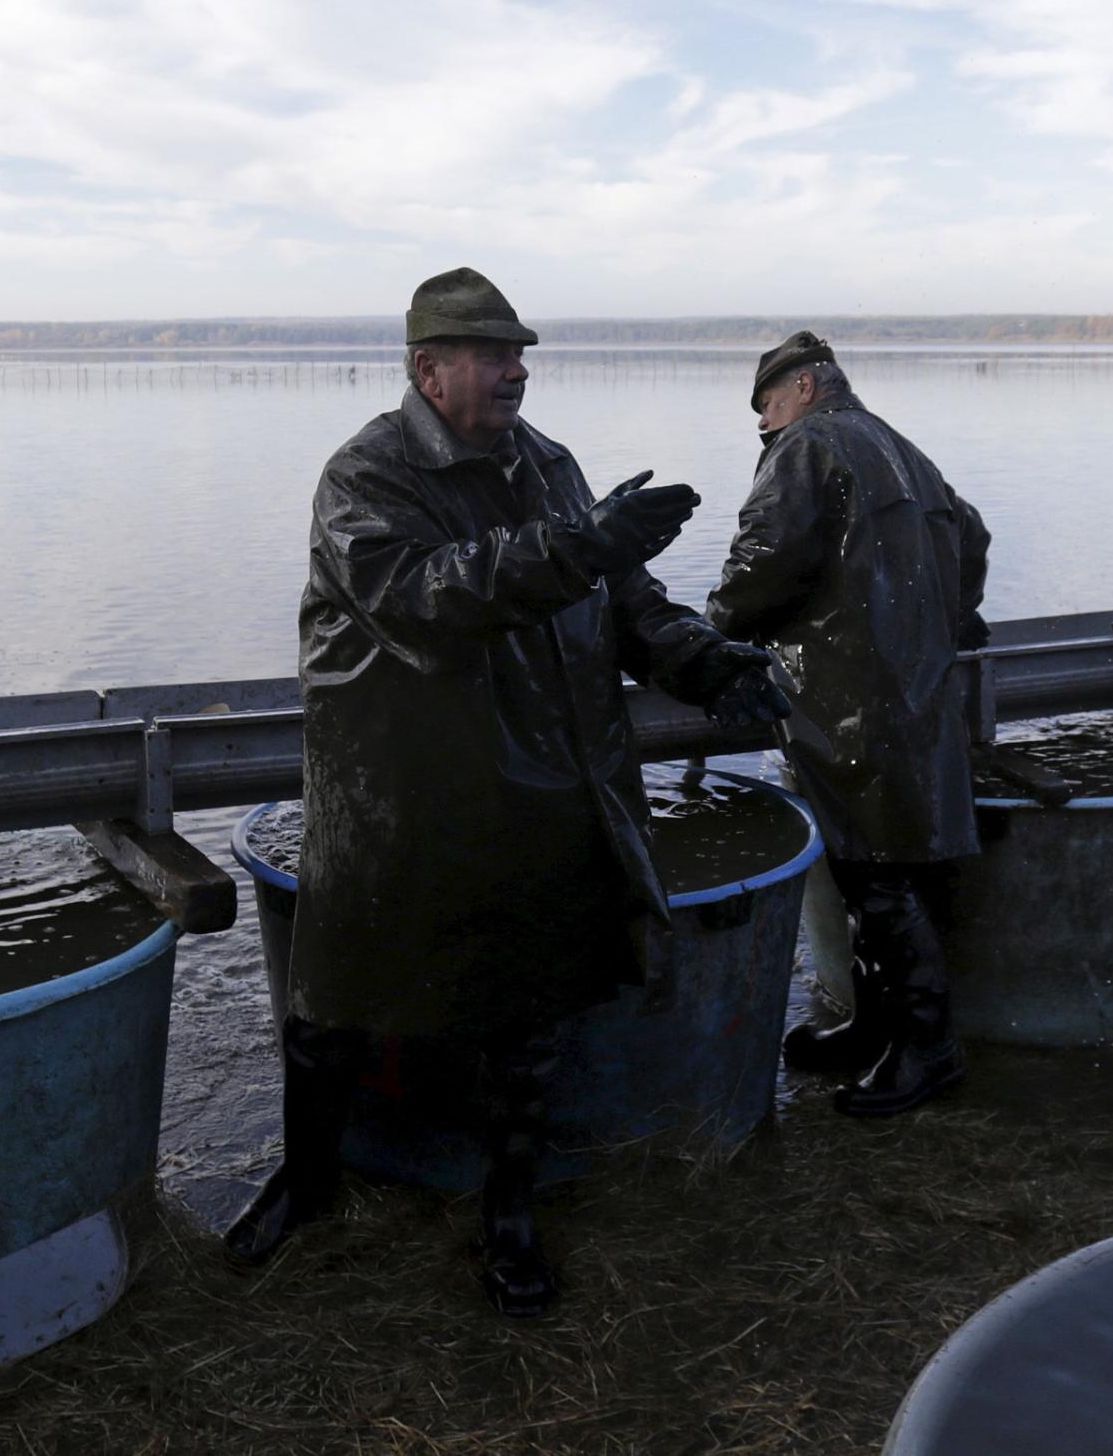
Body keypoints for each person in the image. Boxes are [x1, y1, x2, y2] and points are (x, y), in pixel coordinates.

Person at [231, 268, 790, 1317]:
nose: (516, 370)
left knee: (525, 1012)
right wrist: (583, 544)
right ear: (427, 369)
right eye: (492, 354)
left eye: (521, 351)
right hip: (395, 785)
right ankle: (307, 1182)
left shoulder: (550, 465)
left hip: (537, 775)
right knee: (335, 996)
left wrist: (703, 659)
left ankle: (510, 1214)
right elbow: (429, 600)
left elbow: (626, 601)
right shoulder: (366, 475)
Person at [707, 332, 990, 1117]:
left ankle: (929, 1051)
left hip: (848, 700)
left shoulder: (808, 446)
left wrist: (708, 638)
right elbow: (973, 535)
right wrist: (953, 621)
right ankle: (875, 1026)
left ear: (800, 388)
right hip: (913, 695)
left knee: (880, 875)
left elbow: (762, 560)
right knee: (883, 866)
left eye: (765, 405)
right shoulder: (901, 447)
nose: (763, 423)